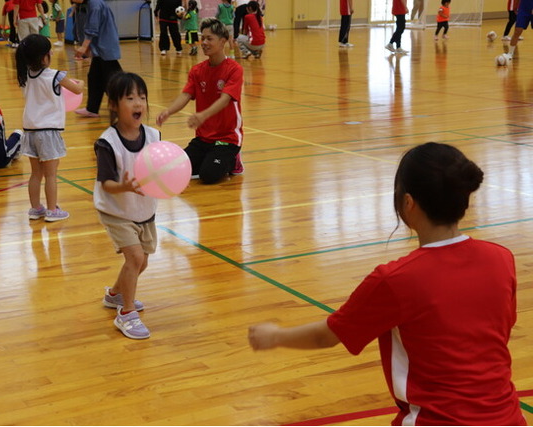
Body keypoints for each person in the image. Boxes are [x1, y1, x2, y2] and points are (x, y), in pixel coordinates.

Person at [248, 142, 527, 426]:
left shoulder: (396, 280)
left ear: (408, 202)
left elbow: (327, 336)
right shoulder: (501, 258)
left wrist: (275, 336)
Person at [94, 72, 160, 340]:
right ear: (113, 105)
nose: (138, 103)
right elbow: (107, 183)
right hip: (116, 210)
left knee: (142, 262)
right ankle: (126, 313)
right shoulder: (107, 142)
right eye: (130, 98)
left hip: (144, 209)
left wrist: (173, 182)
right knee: (134, 258)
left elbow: (160, 168)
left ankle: (115, 295)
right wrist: (125, 186)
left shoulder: (154, 135)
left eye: (142, 97)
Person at [156, 18, 244, 184]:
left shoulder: (234, 69)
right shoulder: (197, 71)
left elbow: (225, 99)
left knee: (208, 176)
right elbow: (186, 95)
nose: (204, 42)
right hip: (203, 139)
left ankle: (233, 160)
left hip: (226, 139)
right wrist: (168, 111)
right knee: (177, 169)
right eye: (202, 38)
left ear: (222, 41)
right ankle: (210, 157)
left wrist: (203, 115)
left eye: (209, 38)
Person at [16, 34, 84, 222]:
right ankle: (52, 210)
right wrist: (80, 82)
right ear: (43, 57)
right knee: (51, 175)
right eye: (49, 51)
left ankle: (35, 208)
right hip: (49, 131)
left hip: (30, 130)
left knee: (35, 174)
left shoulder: (25, 74)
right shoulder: (56, 75)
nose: (52, 53)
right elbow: (77, 89)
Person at [74, 0, 122, 118]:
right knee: (95, 77)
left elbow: (92, 28)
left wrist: (84, 46)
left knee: (114, 79)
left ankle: (124, 106)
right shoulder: (91, 4)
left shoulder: (95, 4)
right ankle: (92, 108)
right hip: (101, 48)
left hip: (105, 47)